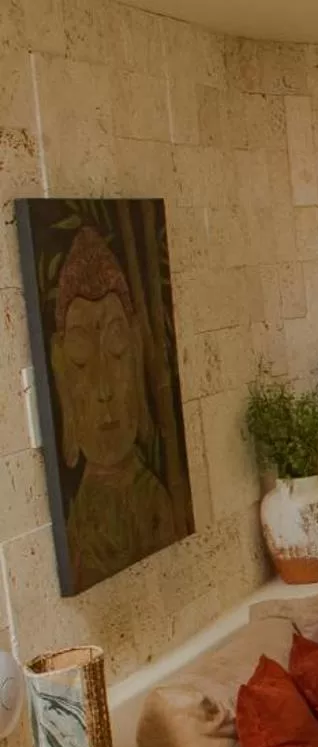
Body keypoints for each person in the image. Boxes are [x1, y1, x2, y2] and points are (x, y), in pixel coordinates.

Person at [50, 224, 179, 593]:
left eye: (117, 349)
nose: (104, 388)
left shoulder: (153, 500)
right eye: (81, 355)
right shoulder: (80, 520)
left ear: (136, 352)